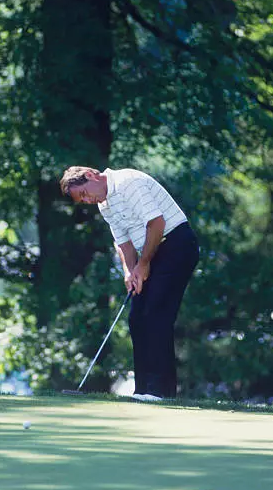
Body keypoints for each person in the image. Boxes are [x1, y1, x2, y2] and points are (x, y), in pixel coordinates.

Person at [60, 166, 199, 401]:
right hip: (153, 251)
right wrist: (129, 271)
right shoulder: (105, 204)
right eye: (82, 200)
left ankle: (160, 391)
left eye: (84, 193)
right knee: (137, 317)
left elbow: (156, 223)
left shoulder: (127, 183)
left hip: (176, 245)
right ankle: (143, 390)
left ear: (91, 176)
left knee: (156, 313)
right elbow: (123, 242)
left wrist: (142, 264)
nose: (87, 200)